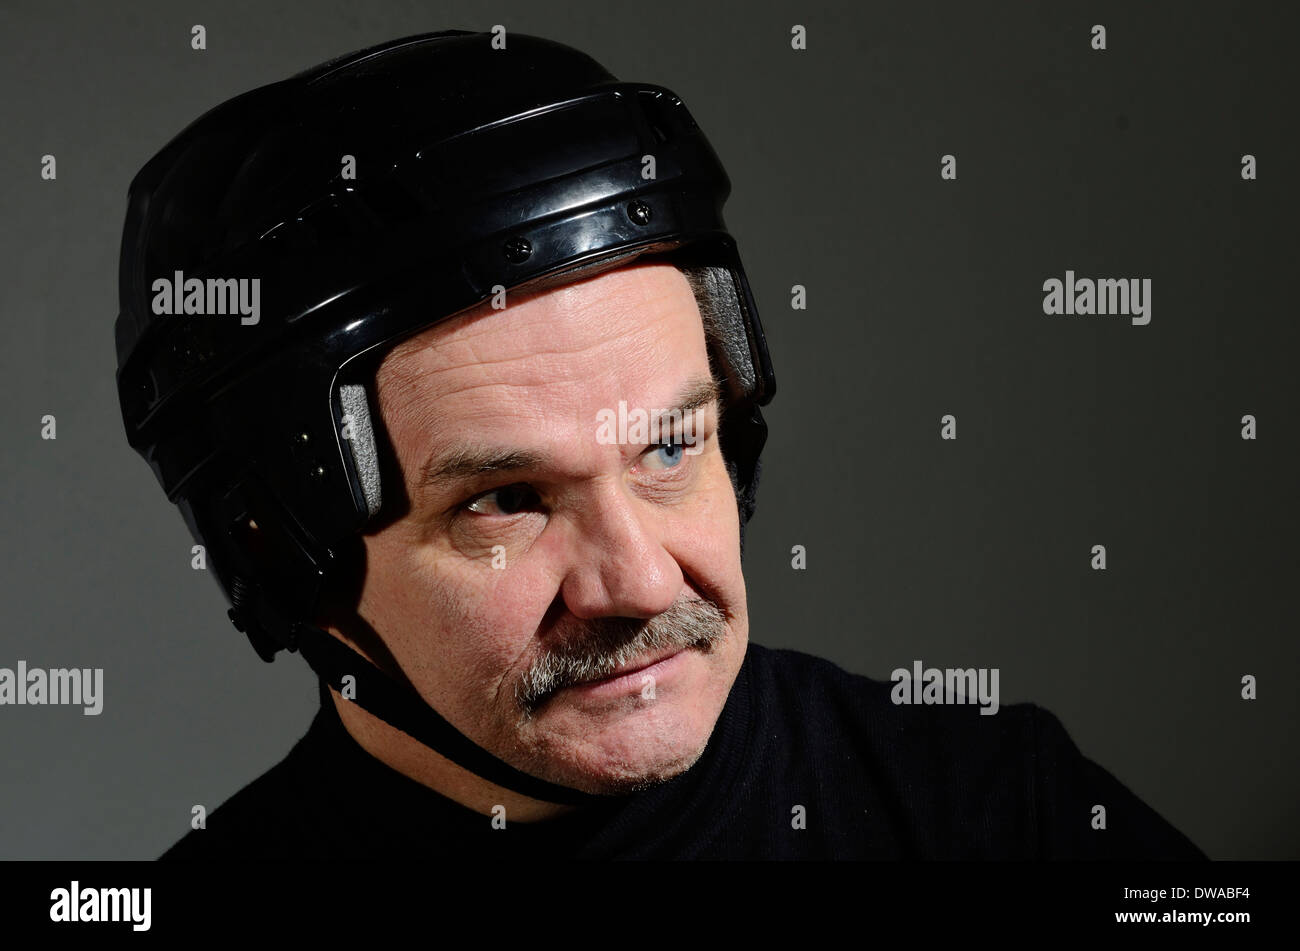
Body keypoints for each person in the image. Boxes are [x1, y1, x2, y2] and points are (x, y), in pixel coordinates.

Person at [114, 30, 1205, 860]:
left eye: (670, 448)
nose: (639, 582)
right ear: (275, 551)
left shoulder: (998, 811)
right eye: (505, 500)